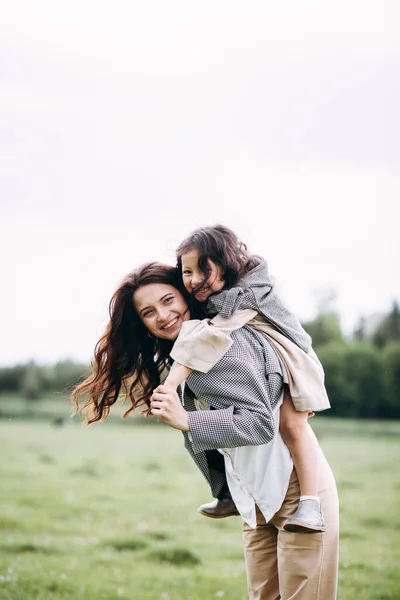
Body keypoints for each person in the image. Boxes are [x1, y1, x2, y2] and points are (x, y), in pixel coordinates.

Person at [72, 262, 339, 600]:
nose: (163, 315)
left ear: (186, 295)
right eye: (148, 312)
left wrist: (186, 420)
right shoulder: (188, 354)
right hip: (254, 500)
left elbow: (259, 422)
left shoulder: (225, 344)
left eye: (169, 300)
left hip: (295, 490)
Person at [162, 224, 331, 533]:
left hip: (292, 357)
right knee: (204, 420)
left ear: (225, 263)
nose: (194, 279)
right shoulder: (214, 294)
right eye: (187, 272)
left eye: (203, 269)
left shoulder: (248, 291)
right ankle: (226, 494)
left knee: (291, 424)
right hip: (266, 359)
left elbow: (210, 335)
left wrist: (170, 385)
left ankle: (311, 504)